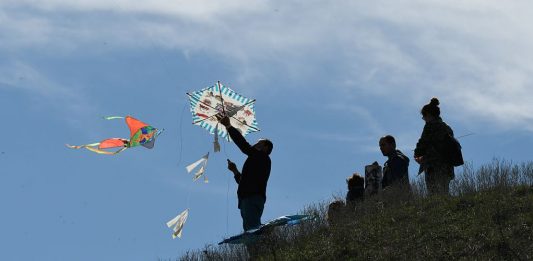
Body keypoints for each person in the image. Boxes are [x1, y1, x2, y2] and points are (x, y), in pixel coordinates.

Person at [219, 115, 274, 231]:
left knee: (252, 230)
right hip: (250, 198)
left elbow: (244, 146)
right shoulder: (259, 159)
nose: (255, 144)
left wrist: (229, 126)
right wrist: (235, 171)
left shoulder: (261, 157)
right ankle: (260, 246)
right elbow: (244, 182)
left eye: (259, 143)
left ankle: (260, 247)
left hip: (251, 198)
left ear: (265, 147)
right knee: (250, 228)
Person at [414, 98, 455, 195]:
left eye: (423, 116)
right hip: (447, 167)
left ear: (428, 114)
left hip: (434, 166)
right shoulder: (447, 128)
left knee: (435, 196)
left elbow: (425, 145)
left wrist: (421, 157)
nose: (423, 119)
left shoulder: (430, 127)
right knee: (443, 194)